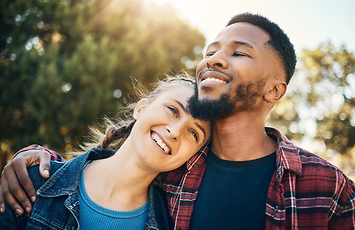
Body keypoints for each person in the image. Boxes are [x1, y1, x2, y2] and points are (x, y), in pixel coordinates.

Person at [1, 12, 355, 229]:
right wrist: (32, 157)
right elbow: (103, 169)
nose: (215, 59)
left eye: (238, 52)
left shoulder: (329, 190)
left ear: (275, 91)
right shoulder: (176, 167)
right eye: (211, 51)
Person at [0, 76, 211, 229]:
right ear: (141, 109)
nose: (175, 131)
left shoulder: (169, 224)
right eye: (173, 110)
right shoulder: (32, 183)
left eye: (193, 133)